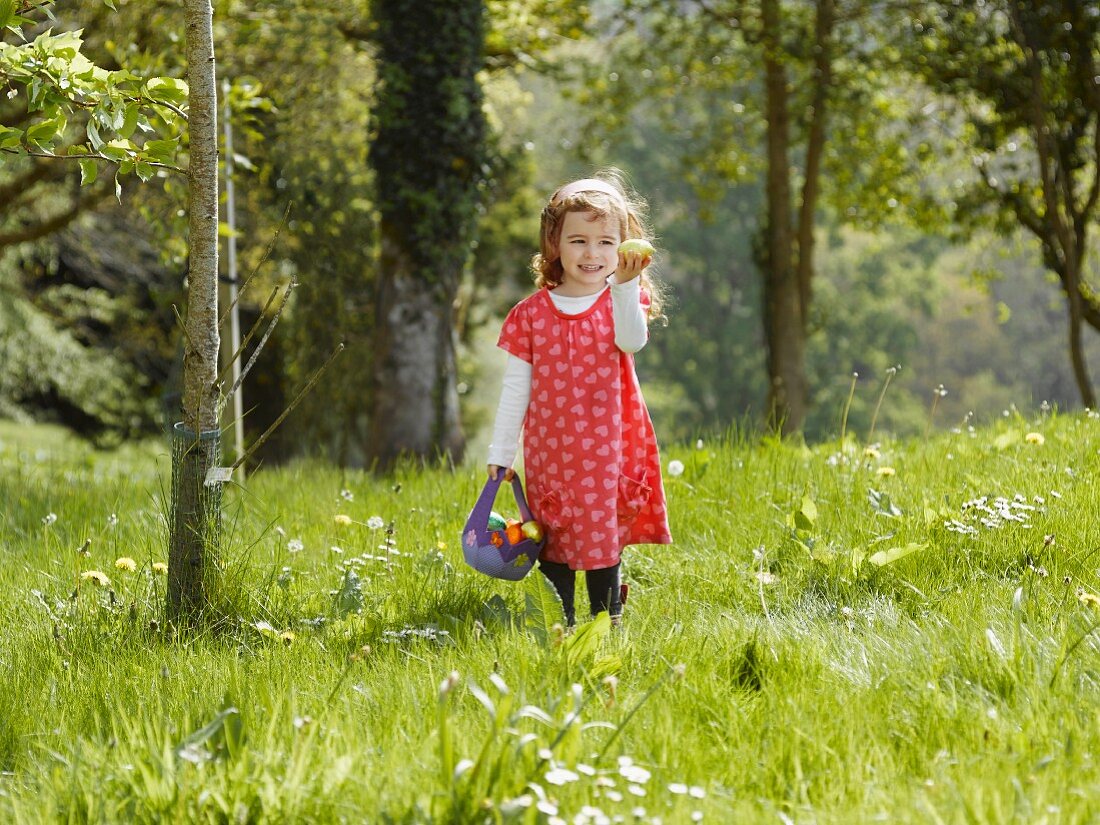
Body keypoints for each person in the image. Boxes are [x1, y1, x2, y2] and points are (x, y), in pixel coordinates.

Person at [486, 171, 673, 626]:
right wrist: (501, 451)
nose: (592, 254)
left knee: (601, 528)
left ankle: (607, 619)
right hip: (551, 449)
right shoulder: (530, 315)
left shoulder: (621, 301)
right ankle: (562, 619)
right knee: (553, 532)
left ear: (623, 247)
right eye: (578, 241)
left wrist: (627, 287)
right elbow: (516, 388)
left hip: (608, 445)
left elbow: (632, 341)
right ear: (554, 243)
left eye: (606, 242)